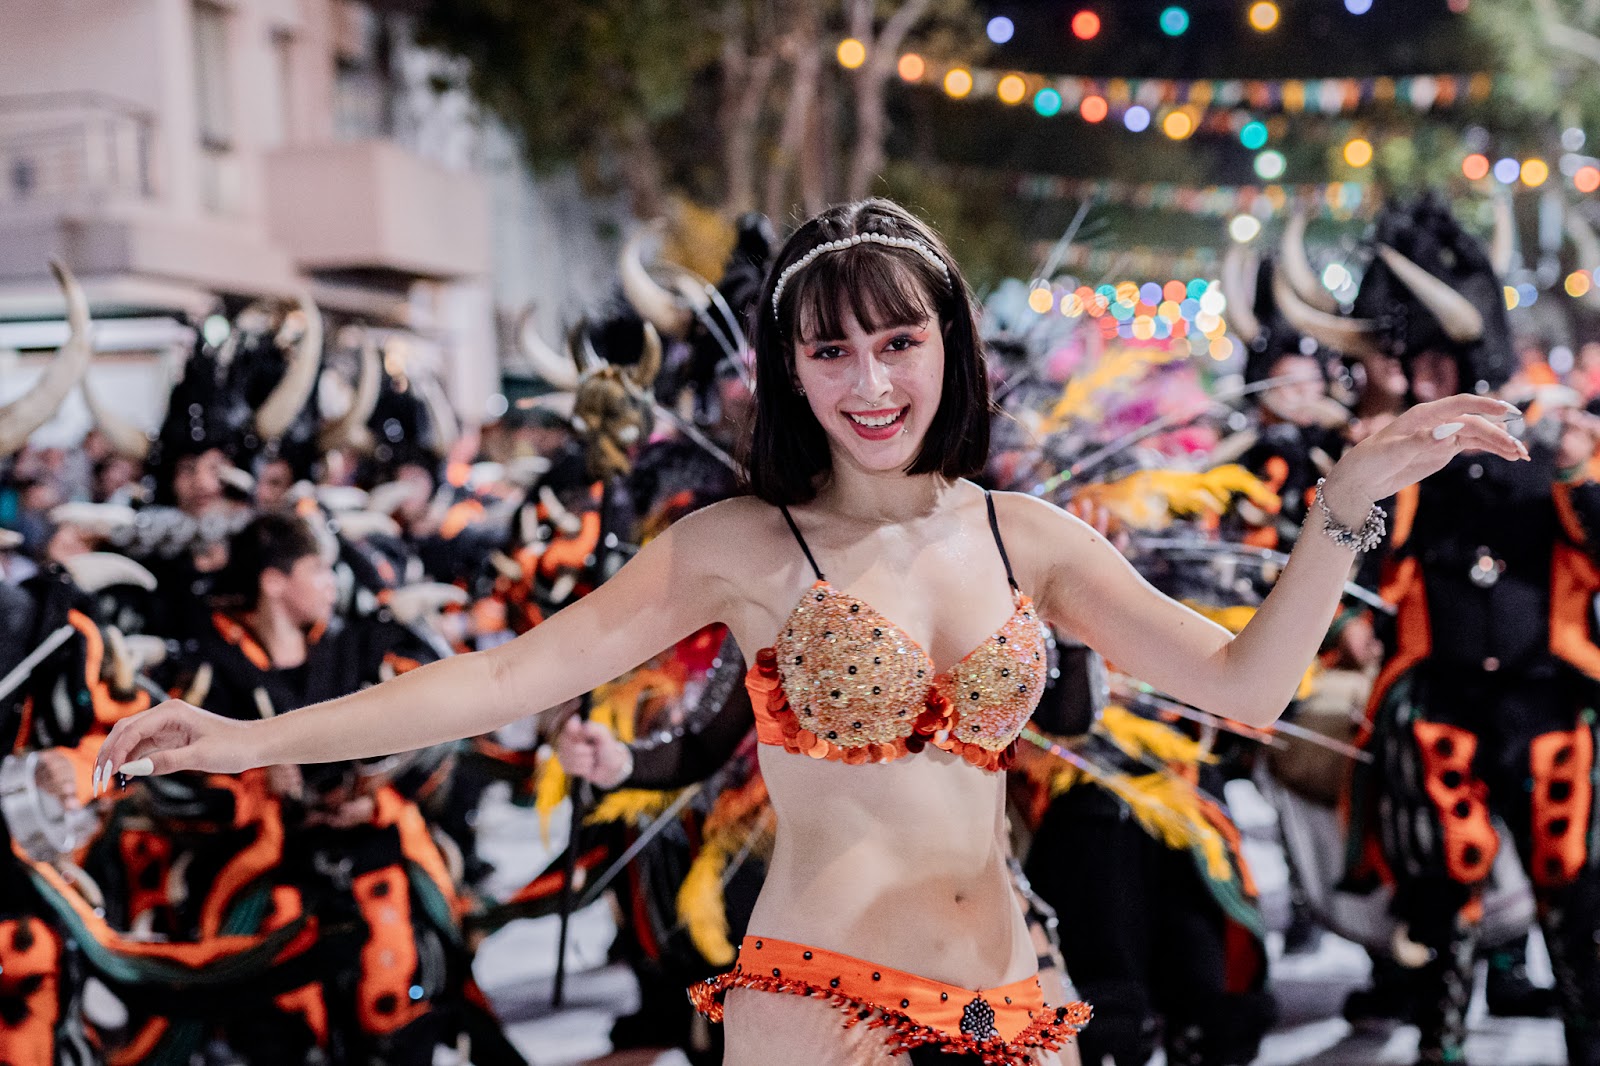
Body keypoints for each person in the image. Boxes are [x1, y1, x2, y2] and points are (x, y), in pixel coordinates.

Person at [93, 199, 1528, 1066]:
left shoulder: (1025, 536)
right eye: (830, 349)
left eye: (897, 341)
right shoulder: (739, 546)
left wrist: (1347, 501)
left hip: (1012, 1003)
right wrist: (247, 738)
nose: (869, 381)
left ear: (949, 343)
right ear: (790, 368)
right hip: (818, 1006)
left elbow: (1248, 683)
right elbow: (505, 674)